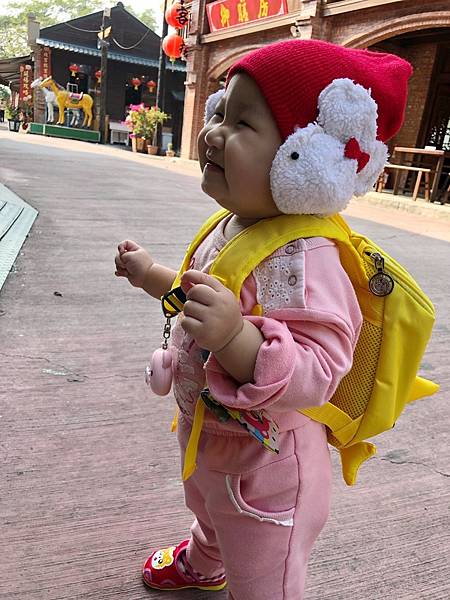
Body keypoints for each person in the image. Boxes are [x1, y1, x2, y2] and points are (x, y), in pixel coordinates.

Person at [115, 40, 412, 599]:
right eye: (220, 113)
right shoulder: (235, 226)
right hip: (212, 432)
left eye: (243, 123)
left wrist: (234, 336)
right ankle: (206, 559)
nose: (213, 133)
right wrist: (151, 274)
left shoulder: (309, 257)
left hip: (267, 467)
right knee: (207, 505)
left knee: (264, 570)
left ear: (304, 158)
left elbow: (320, 370)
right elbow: (198, 295)